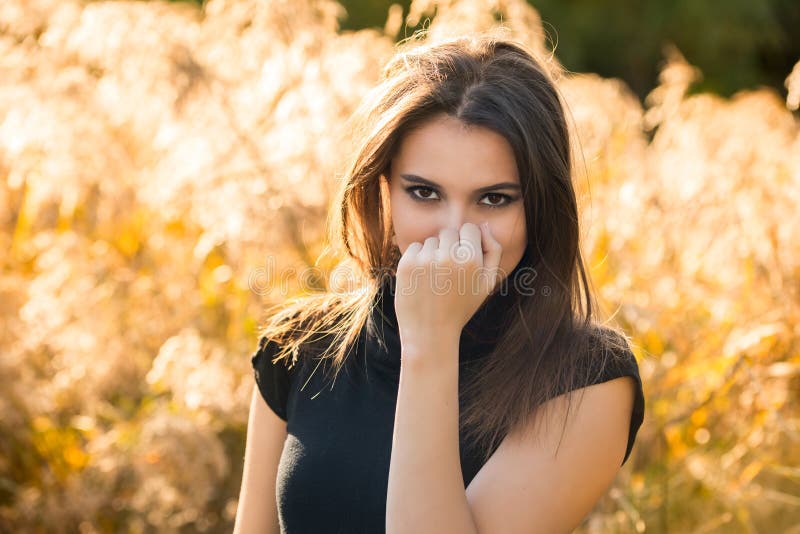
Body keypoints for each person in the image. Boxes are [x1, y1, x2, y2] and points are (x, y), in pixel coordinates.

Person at [234, 31, 645, 534]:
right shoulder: (300, 345)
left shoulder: (586, 379)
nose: (456, 233)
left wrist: (430, 342)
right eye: (424, 192)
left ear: (540, 206)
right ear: (381, 190)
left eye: (494, 199)